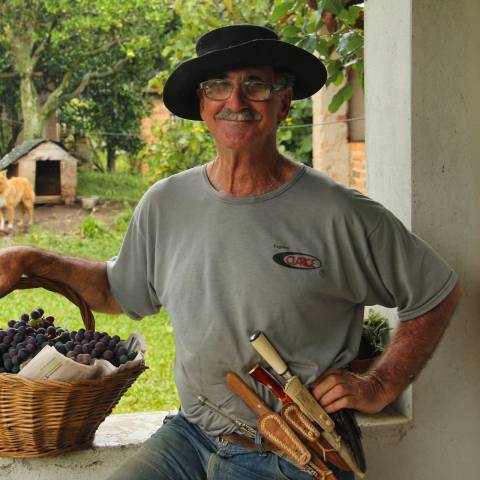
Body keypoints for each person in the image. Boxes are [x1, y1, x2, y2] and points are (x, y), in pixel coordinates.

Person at [0, 25, 459, 480]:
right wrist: (32, 260)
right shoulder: (166, 203)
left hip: (295, 451)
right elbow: (118, 291)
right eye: (219, 85)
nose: (235, 102)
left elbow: (436, 291)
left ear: (283, 101)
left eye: (254, 85)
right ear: (203, 105)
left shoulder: (339, 213)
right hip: (191, 436)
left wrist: (380, 383)